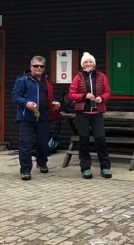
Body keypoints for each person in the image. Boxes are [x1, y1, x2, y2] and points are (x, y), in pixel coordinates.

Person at [12, 56, 61, 181]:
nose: (38, 68)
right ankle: (25, 170)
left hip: (43, 116)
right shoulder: (22, 80)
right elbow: (15, 96)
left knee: (43, 144)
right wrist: (26, 102)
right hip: (26, 117)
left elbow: (49, 97)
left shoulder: (47, 82)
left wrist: (54, 102)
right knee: (25, 144)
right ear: (31, 67)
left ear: (44, 68)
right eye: (36, 66)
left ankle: (42, 162)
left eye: (41, 66)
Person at [68, 52, 112, 180]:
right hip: (82, 113)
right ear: (82, 64)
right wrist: (84, 96)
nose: (88, 64)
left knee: (100, 140)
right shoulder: (78, 77)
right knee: (84, 141)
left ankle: (105, 167)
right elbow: (71, 95)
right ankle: (86, 168)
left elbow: (108, 92)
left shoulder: (102, 76)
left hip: (97, 113)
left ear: (94, 64)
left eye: (90, 62)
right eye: (86, 62)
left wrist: (102, 98)